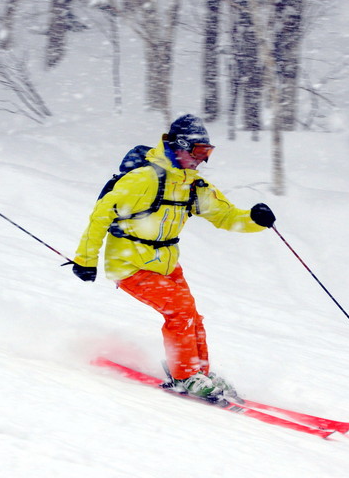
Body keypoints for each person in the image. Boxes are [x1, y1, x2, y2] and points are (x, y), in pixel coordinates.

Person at [71, 114, 275, 400]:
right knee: (179, 311)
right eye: (198, 151)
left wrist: (255, 219)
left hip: (165, 263)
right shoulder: (144, 179)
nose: (201, 159)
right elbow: (102, 213)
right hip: (129, 263)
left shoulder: (192, 185)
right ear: (179, 147)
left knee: (191, 314)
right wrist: (85, 259)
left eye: (208, 152)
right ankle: (185, 376)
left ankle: (199, 371)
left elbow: (226, 216)